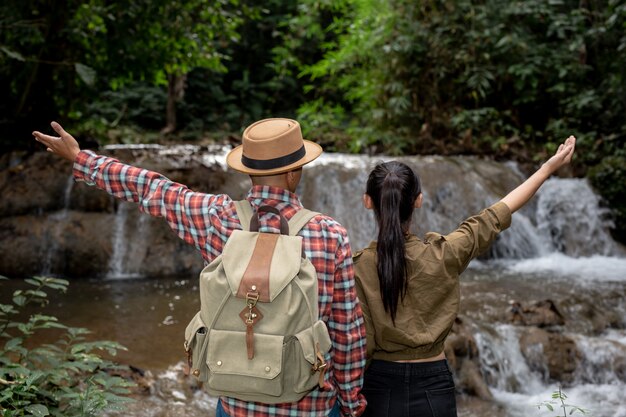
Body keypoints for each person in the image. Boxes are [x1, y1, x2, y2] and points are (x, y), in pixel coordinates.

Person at [32, 119, 367, 417]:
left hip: (236, 403)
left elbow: (153, 189)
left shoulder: (217, 219)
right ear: (296, 171)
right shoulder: (328, 233)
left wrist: (81, 158)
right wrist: (351, 403)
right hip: (309, 405)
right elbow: (347, 331)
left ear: (248, 171)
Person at [353, 136, 576, 417]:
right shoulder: (446, 253)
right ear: (418, 201)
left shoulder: (358, 266)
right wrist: (546, 168)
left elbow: (362, 341)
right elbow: (497, 214)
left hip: (379, 385)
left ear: (368, 202)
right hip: (434, 384)